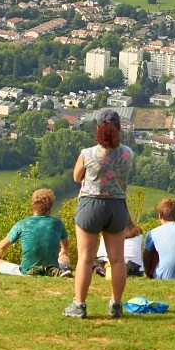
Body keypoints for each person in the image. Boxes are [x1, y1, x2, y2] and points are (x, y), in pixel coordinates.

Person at [66, 108, 135, 318]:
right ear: (119, 129)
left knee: (85, 259)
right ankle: (116, 304)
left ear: (98, 127)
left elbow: (77, 177)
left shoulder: (87, 153)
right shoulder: (128, 153)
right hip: (117, 206)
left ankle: (79, 305)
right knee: (117, 260)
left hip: (91, 206)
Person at [0, 188, 70, 276]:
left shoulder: (22, 224)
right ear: (50, 206)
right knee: (65, 258)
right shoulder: (57, 223)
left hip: (27, 271)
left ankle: (31, 270)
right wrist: (63, 251)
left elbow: (2, 247)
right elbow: (65, 244)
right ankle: (54, 270)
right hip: (51, 269)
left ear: (32, 204)